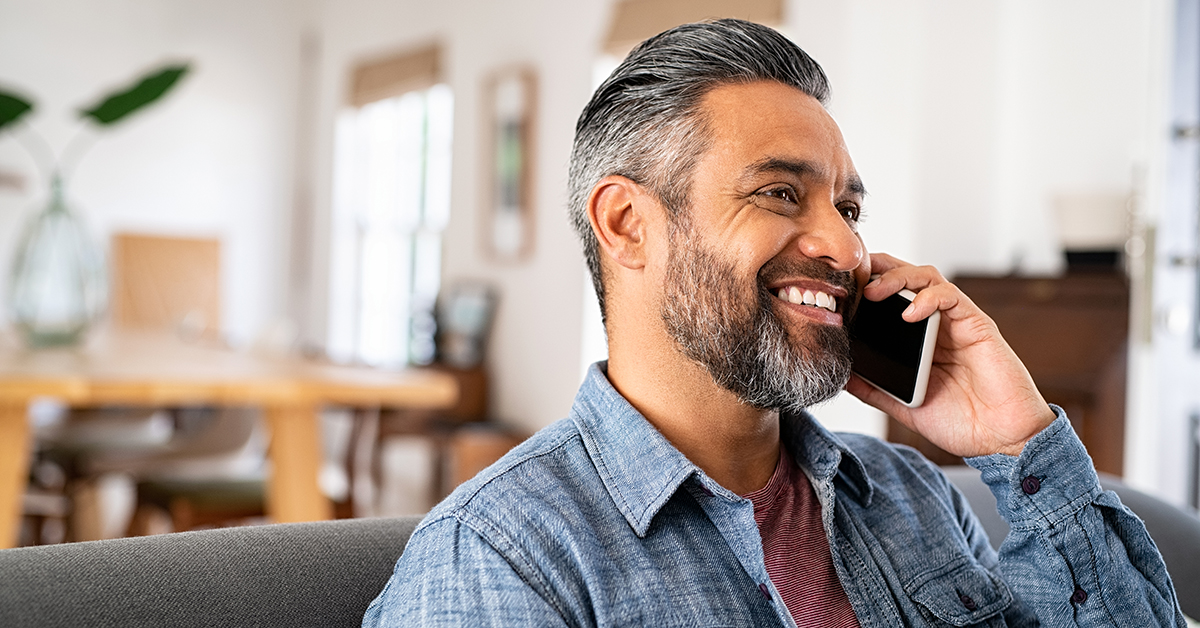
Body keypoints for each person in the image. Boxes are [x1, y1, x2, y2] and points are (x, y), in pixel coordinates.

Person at [363, 19, 1185, 627]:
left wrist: (1018, 442)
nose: (843, 245)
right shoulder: (502, 559)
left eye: (849, 206)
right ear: (627, 225)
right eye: (780, 193)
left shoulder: (911, 496)